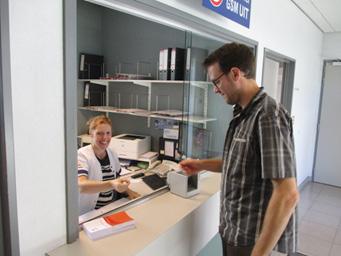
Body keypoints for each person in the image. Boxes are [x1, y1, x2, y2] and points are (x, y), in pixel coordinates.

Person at [180, 43, 299, 256]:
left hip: (252, 241)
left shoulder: (268, 115)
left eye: (216, 81)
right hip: (232, 231)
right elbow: (238, 163)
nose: (215, 89)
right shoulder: (242, 114)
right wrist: (200, 165)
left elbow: (287, 194)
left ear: (235, 73)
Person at [78, 115, 139, 215]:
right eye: (99, 133)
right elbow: (82, 186)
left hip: (108, 209)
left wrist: (128, 191)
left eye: (108, 133)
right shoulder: (82, 155)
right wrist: (111, 184)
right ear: (91, 134)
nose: (105, 137)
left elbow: (117, 178)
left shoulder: (112, 153)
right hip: (88, 213)